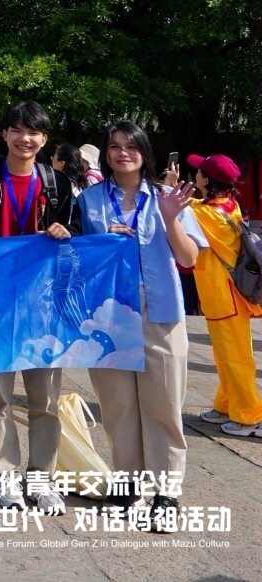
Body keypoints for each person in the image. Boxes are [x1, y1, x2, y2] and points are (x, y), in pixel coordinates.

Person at [77, 123, 203, 522]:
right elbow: (79, 259)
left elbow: (189, 259)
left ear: (145, 152)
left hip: (159, 311)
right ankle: (128, 484)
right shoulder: (90, 200)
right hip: (110, 314)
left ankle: (166, 492)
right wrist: (103, 243)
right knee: (118, 406)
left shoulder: (168, 198)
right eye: (113, 146)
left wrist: (169, 220)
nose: (121, 153)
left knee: (163, 403)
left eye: (131, 146)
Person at [0, 100, 79, 514]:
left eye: (33, 132)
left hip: (43, 309)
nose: (24, 138)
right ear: (5, 135)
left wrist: (67, 231)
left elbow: (75, 240)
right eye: (17, 129)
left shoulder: (57, 184)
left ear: (44, 139)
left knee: (45, 399)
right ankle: (7, 476)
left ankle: (42, 478)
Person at [182, 153, 262, 437]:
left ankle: (249, 415)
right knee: (225, 355)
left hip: (226, 298)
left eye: (199, 172)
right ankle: (227, 404)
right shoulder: (228, 205)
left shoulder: (206, 213)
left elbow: (182, 207)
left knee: (236, 357)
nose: (195, 176)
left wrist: (169, 186)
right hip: (223, 297)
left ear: (207, 181)